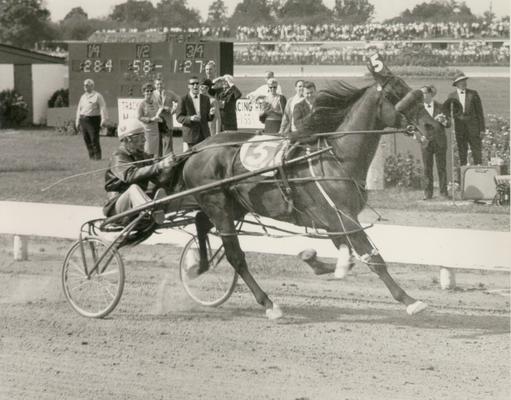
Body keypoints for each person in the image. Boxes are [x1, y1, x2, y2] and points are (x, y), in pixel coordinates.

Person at [103, 118, 176, 225]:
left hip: (138, 203)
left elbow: (157, 175)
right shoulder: (118, 156)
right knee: (134, 189)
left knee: (158, 187)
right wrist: (160, 165)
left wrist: (170, 165)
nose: (145, 140)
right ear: (128, 139)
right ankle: (152, 211)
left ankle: (157, 207)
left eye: (144, 136)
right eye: (141, 137)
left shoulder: (143, 156)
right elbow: (130, 175)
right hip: (117, 207)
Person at [447, 72, 485, 166]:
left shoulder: (473, 94)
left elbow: (480, 112)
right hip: (460, 129)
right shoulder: (451, 96)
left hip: (474, 129)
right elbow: (448, 111)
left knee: (477, 152)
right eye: (461, 81)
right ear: (456, 84)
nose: (464, 83)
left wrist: (482, 129)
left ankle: (479, 174)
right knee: (462, 153)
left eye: (464, 80)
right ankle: (463, 176)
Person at [420, 85, 449, 200]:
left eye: (424, 93)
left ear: (430, 94)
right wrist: (418, 137)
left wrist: (444, 121)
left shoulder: (441, 107)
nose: (422, 96)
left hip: (440, 141)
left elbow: (449, 124)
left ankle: (443, 192)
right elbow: (415, 124)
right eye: (421, 94)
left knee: (441, 167)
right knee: (427, 168)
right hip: (426, 142)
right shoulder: (419, 109)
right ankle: (428, 194)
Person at [176, 76, 215, 151]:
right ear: (188, 86)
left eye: (197, 83)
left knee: (205, 159)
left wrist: (211, 114)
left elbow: (208, 118)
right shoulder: (183, 99)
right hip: (191, 136)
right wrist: (190, 118)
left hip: (204, 135)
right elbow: (179, 117)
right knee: (191, 160)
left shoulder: (205, 99)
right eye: (192, 83)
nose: (195, 85)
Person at [75, 79, 108, 160]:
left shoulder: (97, 96)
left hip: (93, 119)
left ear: (92, 86)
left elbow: (102, 107)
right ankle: (91, 157)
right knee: (86, 139)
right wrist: (77, 120)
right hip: (83, 119)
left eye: (87, 85)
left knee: (94, 138)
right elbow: (79, 109)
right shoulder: (83, 96)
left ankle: (97, 157)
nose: (85, 86)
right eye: (84, 85)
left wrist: (103, 119)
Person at [153, 77, 179, 156]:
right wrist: (161, 109)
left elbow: (179, 101)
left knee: (168, 145)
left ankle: (168, 164)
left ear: (163, 84)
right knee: (157, 147)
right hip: (156, 124)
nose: (159, 86)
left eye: (161, 84)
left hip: (167, 124)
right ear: (155, 85)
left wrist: (173, 109)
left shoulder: (170, 93)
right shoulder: (151, 94)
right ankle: (158, 165)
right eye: (157, 84)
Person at [137, 82, 161, 157]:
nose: (149, 92)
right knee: (147, 151)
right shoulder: (141, 104)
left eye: (151, 91)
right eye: (147, 91)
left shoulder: (155, 103)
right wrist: (150, 119)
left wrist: (159, 119)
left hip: (155, 130)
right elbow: (139, 117)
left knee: (154, 152)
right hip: (146, 131)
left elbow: (157, 114)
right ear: (143, 92)